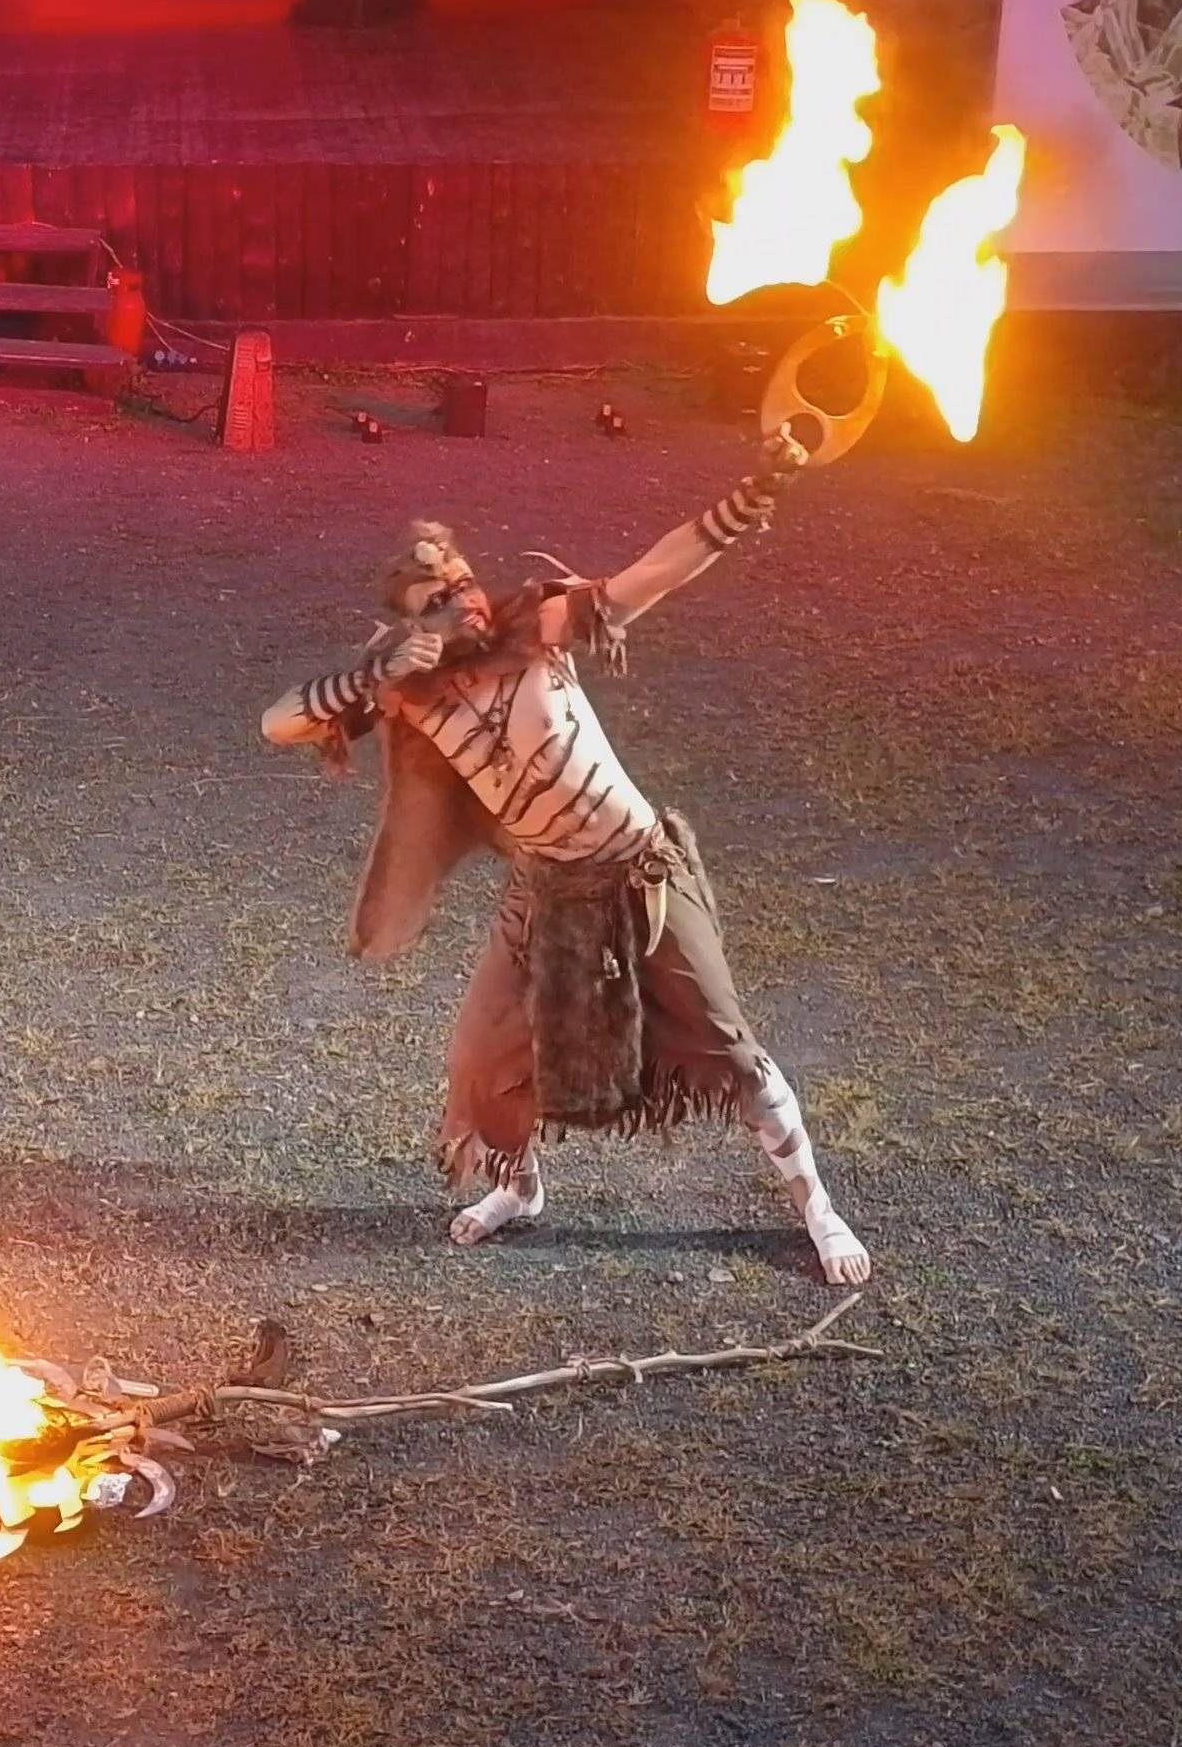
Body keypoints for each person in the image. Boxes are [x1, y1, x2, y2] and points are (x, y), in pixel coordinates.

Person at [257, 435, 874, 1282]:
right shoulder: (408, 690)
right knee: (481, 1061)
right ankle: (519, 1188)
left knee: (731, 1054)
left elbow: (647, 579)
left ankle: (819, 1208)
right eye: (439, 599)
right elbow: (278, 723)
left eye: (464, 583)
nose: (465, 603)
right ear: (411, 620)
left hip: (639, 873)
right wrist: (375, 675)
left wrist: (743, 502)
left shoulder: (534, 629)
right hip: (544, 885)